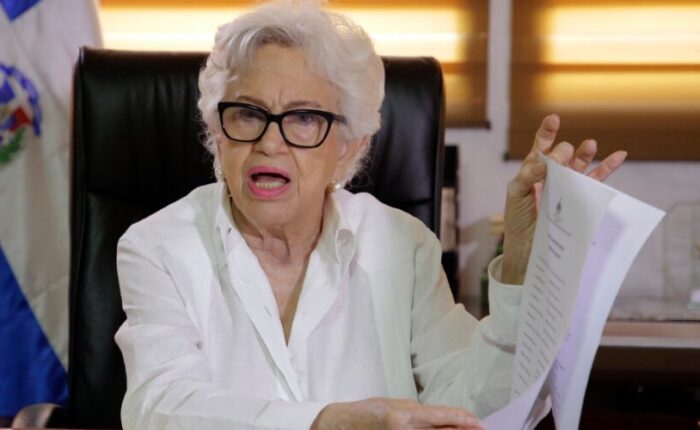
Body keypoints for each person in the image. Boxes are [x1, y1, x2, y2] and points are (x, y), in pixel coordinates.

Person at [114, 1, 627, 429]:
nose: (270, 142)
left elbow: (476, 408)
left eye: (304, 118)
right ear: (217, 132)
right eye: (247, 113)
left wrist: (518, 265)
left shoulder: (402, 244)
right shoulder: (158, 246)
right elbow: (158, 407)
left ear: (349, 147)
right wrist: (329, 422)